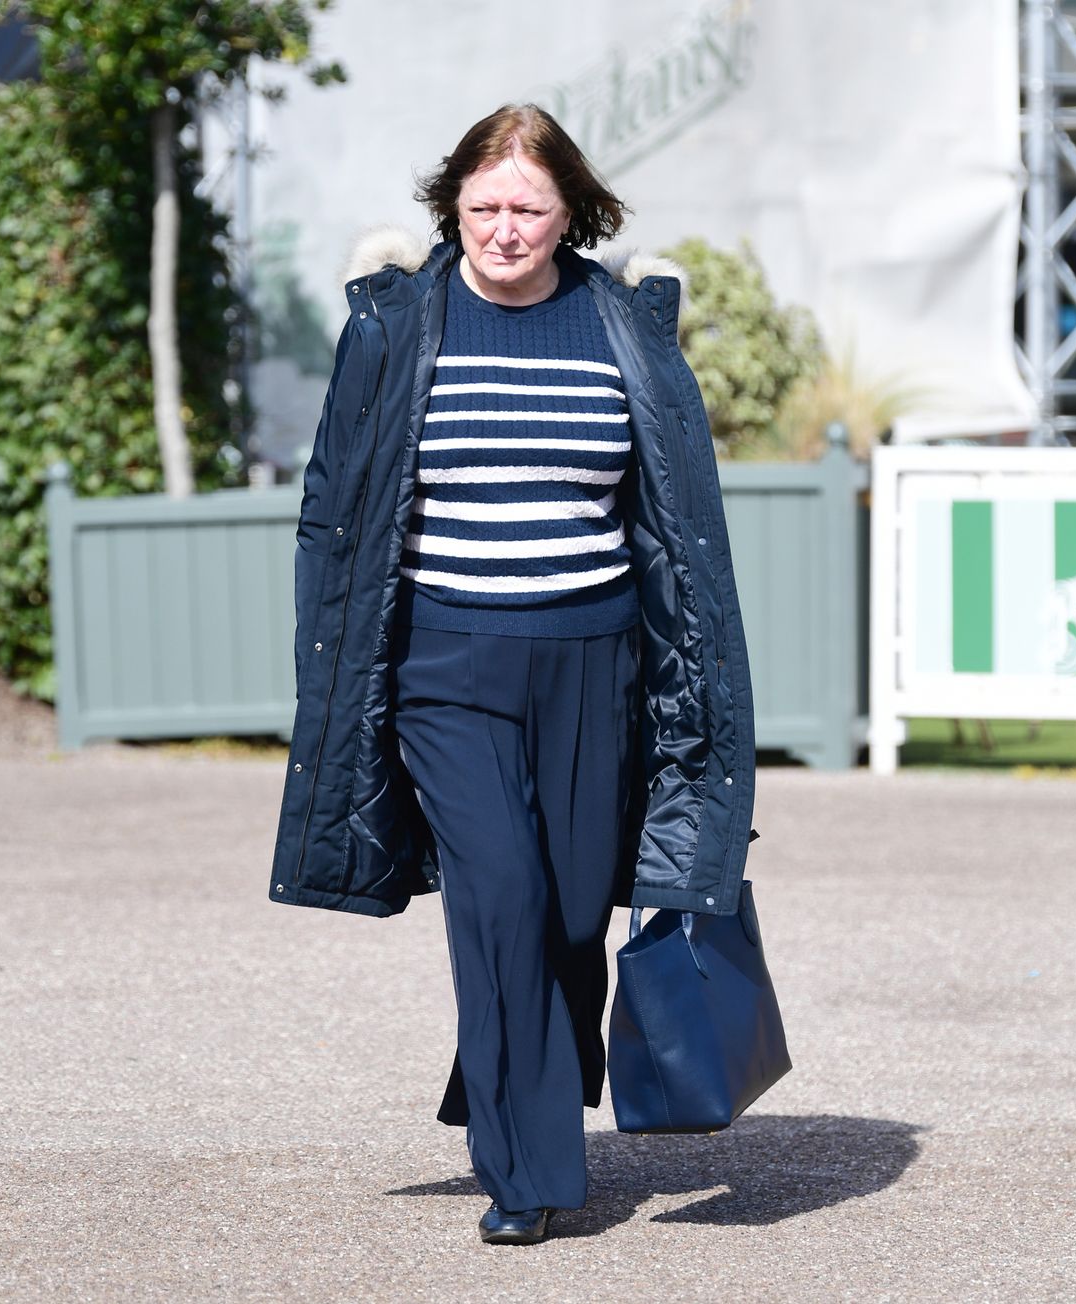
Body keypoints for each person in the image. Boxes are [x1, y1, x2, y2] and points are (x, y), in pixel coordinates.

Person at [268, 104, 757, 1246]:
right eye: (481, 207)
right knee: (501, 898)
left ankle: (518, 1059)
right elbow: (332, 512)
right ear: (452, 209)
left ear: (568, 212)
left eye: (525, 208)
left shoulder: (625, 326)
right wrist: (338, 670)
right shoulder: (397, 328)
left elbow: (672, 517)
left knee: (576, 907)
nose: (501, 229)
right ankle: (527, 1169)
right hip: (444, 663)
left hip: (596, 664)